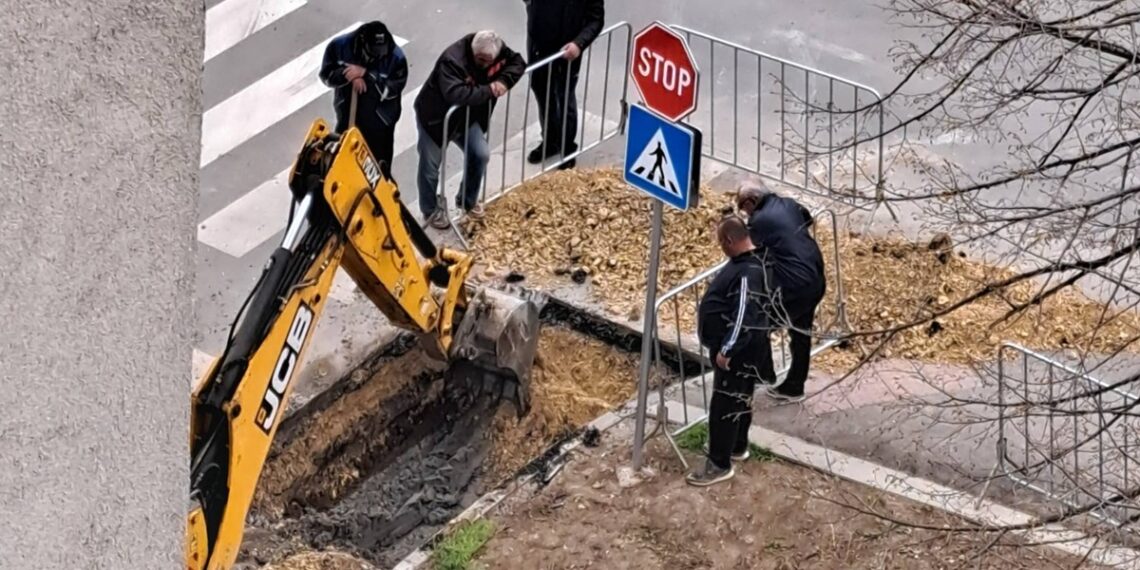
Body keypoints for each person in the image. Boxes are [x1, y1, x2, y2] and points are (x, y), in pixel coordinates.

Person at [688, 216, 770, 487]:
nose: (721, 248)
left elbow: (744, 314)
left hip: (737, 353)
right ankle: (736, 446)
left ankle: (718, 464)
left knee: (724, 405)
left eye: (721, 243)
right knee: (740, 399)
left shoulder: (748, 273)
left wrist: (727, 349)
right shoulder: (750, 264)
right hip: (747, 350)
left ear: (730, 240)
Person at [414, 30, 526, 230]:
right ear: (474, 52)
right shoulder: (452, 60)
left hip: (466, 118)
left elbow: (518, 62)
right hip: (436, 120)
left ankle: (468, 200)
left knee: (480, 154)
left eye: (489, 61)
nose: (485, 64)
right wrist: (490, 90)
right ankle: (430, 210)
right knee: (430, 167)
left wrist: (504, 81)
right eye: (480, 60)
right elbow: (456, 94)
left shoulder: (497, 49)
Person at [735, 182, 827, 403]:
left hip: (794, 284)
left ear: (751, 201)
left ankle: (764, 374)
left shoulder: (759, 220)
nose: (745, 213)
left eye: (743, 207)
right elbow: (807, 219)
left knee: (757, 322)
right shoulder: (788, 203)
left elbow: (749, 253)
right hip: (814, 275)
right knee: (801, 332)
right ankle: (794, 385)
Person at [318, 21, 408, 179]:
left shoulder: (396, 58)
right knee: (343, 159)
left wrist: (367, 75)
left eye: (381, 51)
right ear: (362, 42)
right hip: (348, 115)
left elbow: (391, 90)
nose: (378, 55)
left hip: (380, 121)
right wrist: (348, 75)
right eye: (373, 51)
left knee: (377, 170)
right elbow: (326, 75)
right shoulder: (340, 47)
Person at [523, 0, 605, 169]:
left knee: (564, 96)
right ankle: (550, 142)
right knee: (542, 92)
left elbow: (596, 20)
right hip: (538, 46)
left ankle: (568, 147)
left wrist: (579, 43)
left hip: (567, 51)